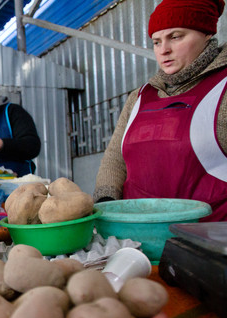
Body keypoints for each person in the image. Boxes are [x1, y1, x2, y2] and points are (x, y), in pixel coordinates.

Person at [94, 0, 227, 222]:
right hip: (137, 236)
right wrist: (106, 203)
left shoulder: (222, 88)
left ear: (206, 34)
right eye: (156, 41)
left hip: (208, 242)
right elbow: (115, 159)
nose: (164, 50)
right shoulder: (139, 97)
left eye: (176, 37)